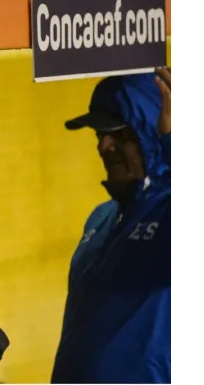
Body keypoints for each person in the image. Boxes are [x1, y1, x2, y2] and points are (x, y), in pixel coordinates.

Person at [51, 68, 171, 383]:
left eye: (119, 134)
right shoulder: (101, 219)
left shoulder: (168, 213)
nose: (104, 146)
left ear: (153, 133)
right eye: (99, 135)